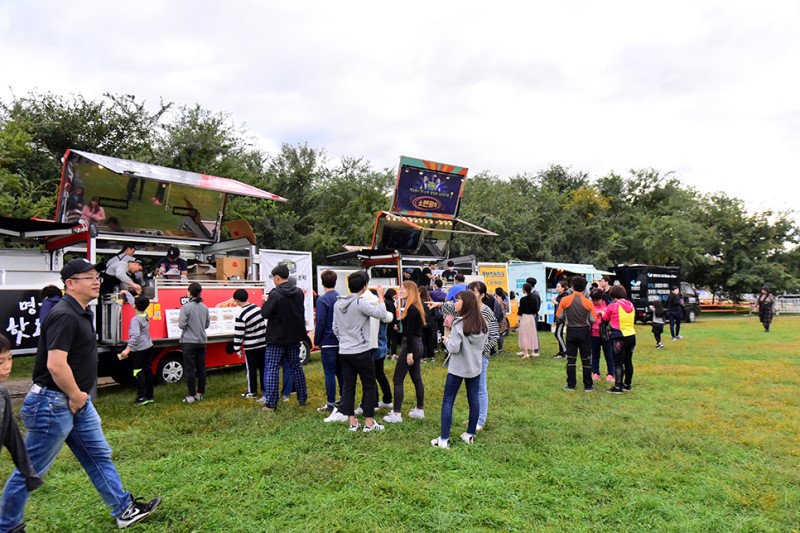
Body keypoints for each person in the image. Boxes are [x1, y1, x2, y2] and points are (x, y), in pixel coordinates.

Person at [0, 259, 161, 531]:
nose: (96, 280)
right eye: (88, 277)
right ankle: (7, 525)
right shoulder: (64, 314)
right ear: (70, 284)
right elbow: (55, 364)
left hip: (76, 401)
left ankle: (124, 509)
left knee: (98, 455)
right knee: (31, 469)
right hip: (54, 403)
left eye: (96, 276)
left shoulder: (82, 311)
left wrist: (78, 398)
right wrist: (75, 395)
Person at [332, 271, 392, 432]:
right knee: (369, 385)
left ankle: (352, 422)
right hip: (361, 351)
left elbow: (335, 328)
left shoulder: (338, 304)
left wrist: (345, 341)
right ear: (365, 287)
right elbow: (382, 314)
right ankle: (369, 422)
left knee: (349, 386)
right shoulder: (361, 303)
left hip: (344, 352)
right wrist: (380, 298)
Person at [430, 290, 488, 449]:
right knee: (473, 399)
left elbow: (454, 348)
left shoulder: (459, 323)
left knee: (448, 401)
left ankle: (444, 439)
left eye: (458, 300)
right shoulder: (482, 322)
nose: (455, 303)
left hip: (457, 368)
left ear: (466, 303)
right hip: (475, 367)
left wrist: (446, 340)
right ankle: (470, 434)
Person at [260, 264, 308, 412]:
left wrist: (266, 301)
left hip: (277, 337)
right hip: (294, 336)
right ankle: (302, 398)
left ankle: (271, 403)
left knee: (272, 368)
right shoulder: (299, 292)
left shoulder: (275, 294)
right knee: (296, 366)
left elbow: (265, 313)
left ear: (277, 278)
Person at [0, 335, 43, 494]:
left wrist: (28, 472)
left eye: (9, 359)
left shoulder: (2, 394)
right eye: (0, 362)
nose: (7, 366)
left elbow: (12, 437)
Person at [384, 281, 426, 424]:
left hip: (411, 345)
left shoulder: (411, 309)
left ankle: (396, 414)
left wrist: (409, 353)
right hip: (417, 344)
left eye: (403, 289)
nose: (400, 291)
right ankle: (419, 410)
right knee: (416, 377)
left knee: (398, 379)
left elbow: (410, 333)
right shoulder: (415, 307)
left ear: (410, 290)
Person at [555, 276, 597, 392]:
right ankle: (588, 385)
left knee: (571, 359)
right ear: (584, 289)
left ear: (572, 288)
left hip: (571, 331)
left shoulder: (565, 300)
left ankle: (571, 384)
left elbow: (559, 315)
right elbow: (594, 319)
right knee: (586, 359)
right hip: (584, 331)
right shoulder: (588, 302)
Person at [118, 296, 155, 405]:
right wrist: (127, 293)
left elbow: (135, 336)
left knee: (138, 372)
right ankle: (150, 396)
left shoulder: (135, 320)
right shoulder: (145, 315)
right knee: (148, 371)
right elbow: (135, 304)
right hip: (149, 346)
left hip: (140, 350)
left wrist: (127, 350)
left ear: (135, 306)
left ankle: (141, 398)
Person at [314, 270, 342, 415]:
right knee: (341, 372)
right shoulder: (341, 298)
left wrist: (317, 340)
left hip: (327, 340)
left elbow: (320, 322)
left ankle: (331, 403)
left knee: (329, 372)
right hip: (342, 341)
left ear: (322, 282)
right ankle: (344, 400)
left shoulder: (322, 299)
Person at [232, 289, 267, 400]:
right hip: (263, 344)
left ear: (237, 300)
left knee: (251, 369)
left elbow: (239, 334)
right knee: (263, 368)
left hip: (251, 346)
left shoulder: (240, 314)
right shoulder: (257, 308)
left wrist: (237, 348)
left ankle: (252, 392)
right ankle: (265, 389)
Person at [178, 282, 210, 404]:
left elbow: (181, 325)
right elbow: (207, 324)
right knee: (201, 368)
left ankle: (191, 395)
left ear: (189, 293)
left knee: (190, 369)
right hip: (201, 341)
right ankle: (200, 393)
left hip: (188, 342)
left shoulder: (185, 307)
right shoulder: (205, 307)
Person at [603, 285, 637, 394]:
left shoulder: (613, 306)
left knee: (618, 362)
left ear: (613, 297)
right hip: (631, 335)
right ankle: (627, 384)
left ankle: (618, 386)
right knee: (628, 361)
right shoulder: (631, 305)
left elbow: (605, 318)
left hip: (619, 337)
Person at [590, 289, 615, 382]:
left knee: (609, 354)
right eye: (593, 300)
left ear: (602, 298)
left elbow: (612, 317)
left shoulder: (608, 305)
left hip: (606, 334)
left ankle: (611, 373)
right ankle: (595, 372)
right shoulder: (590, 305)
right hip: (593, 333)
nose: (595, 302)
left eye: (597, 300)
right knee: (595, 354)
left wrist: (604, 314)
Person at [517, 283, 539, 358]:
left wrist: (518, 320)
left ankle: (526, 352)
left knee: (524, 335)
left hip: (524, 317)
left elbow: (520, 311)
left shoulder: (523, 299)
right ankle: (533, 351)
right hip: (531, 318)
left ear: (524, 290)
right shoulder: (534, 298)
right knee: (532, 334)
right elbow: (535, 310)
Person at [419, 286, 437, 362]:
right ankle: (432, 356)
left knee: (422, 340)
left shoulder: (419, 303)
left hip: (421, 323)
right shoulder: (430, 302)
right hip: (430, 323)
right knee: (429, 339)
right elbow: (433, 313)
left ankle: (424, 356)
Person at [551, 281, 569, 358]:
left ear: (563, 288)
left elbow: (563, 305)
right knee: (558, 334)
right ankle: (561, 351)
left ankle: (565, 351)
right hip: (558, 317)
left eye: (558, 287)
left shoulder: (565, 295)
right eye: (557, 286)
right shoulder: (560, 295)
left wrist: (555, 302)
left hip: (562, 317)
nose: (557, 288)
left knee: (558, 334)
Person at [429, 279, 447, 349]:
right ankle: (444, 345)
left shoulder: (431, 293)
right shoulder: (444, 294)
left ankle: (434, 347)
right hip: (442, 313)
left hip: (434, 313)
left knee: (434, 331)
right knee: (442, 330)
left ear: (435, 285)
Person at [385, 288, 401, 359]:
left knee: (387, 339)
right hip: (391, 323)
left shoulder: (385, 302)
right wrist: (395, 324)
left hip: (386, 323)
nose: (395, 296)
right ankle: (393, 353)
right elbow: (392, 314)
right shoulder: (391, 303)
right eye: (394, 294)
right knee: (394, 338)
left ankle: (387, 353)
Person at [494, 287, 509, 353]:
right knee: (501, 334)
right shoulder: (503, 300)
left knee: (498, 334)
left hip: (499, 319)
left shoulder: (498, 300)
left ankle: (499, 349)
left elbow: (497, 311)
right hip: (503, 319)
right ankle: (500, 348)